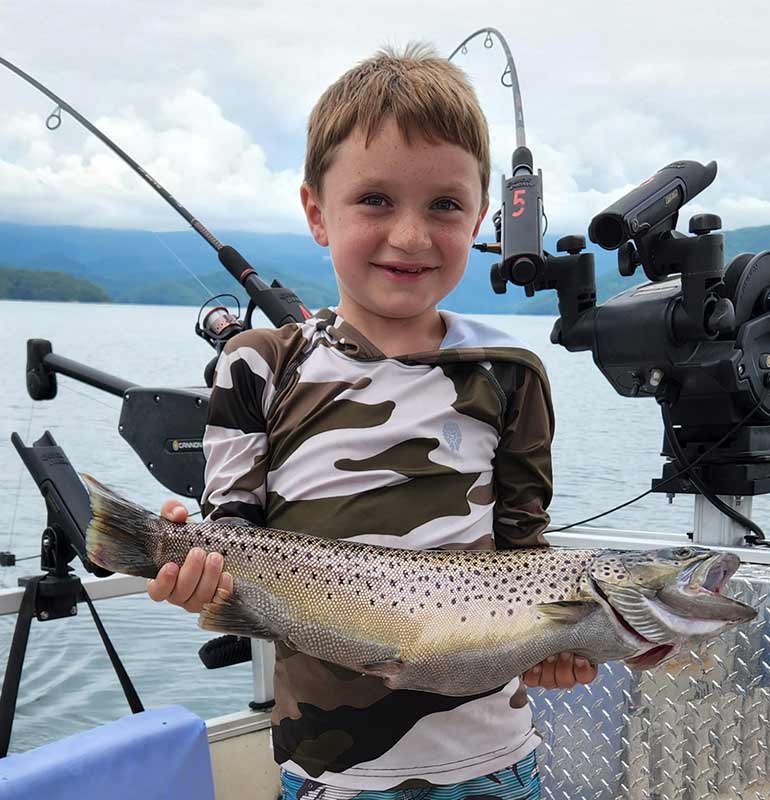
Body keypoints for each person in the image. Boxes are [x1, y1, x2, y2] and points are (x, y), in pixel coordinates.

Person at [149, 43, 597, 800]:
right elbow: (233, 537)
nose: (412, 236)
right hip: (329, 771)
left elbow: (527, 559)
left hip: (492, 760)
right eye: (376, 200)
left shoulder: (511, 374)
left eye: (445, 205)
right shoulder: (258, 366)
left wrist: (562, 645)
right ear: (317, 213)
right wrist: (192, 571)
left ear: (482, 217)